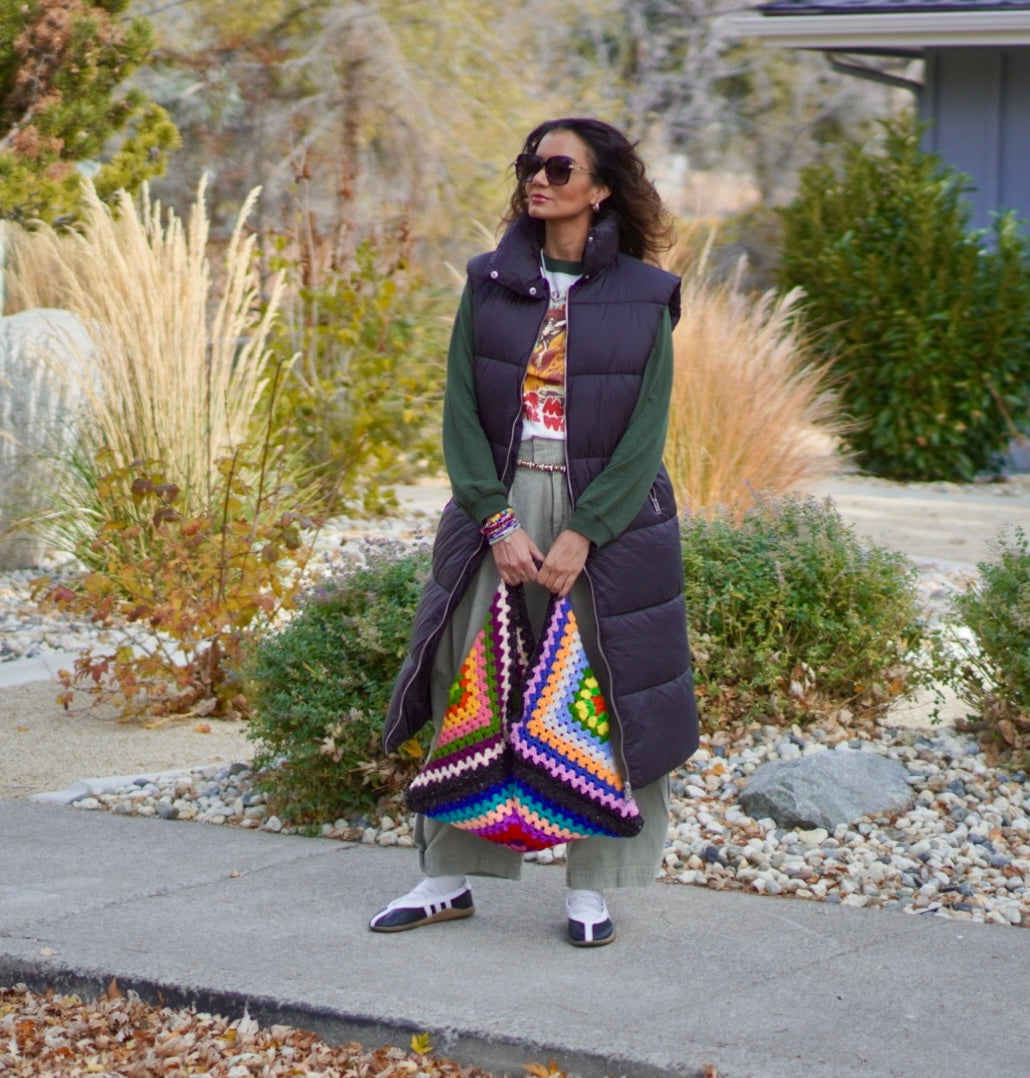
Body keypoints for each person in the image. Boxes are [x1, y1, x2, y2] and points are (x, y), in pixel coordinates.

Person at [373, 117, 699, 947]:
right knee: (467, 678)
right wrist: (495, 519)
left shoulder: (646, 294)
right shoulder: (488, 284)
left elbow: (645, 432)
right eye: (530, 164)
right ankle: (449, 877)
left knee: (610, 691)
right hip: (501, 509)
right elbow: (459, 417)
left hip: (607, 519)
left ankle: (595, 887)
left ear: (599, 189)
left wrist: (584, 533)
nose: (538, 179)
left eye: (559, 166)